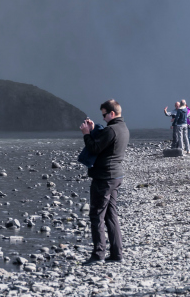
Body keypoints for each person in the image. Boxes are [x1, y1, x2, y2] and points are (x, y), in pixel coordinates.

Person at [79, 99, 129, 264]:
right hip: (115, 176)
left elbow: (94, 148)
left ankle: (98, 254)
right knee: (110, 215)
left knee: (96, 215)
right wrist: (93, 131)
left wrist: (86, 133)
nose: (104, 118)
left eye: (104, 115)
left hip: (104, 178)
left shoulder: (111, 130)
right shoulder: (123, 129)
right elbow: (104, 146)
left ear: (112, 113)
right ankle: (117, 254)